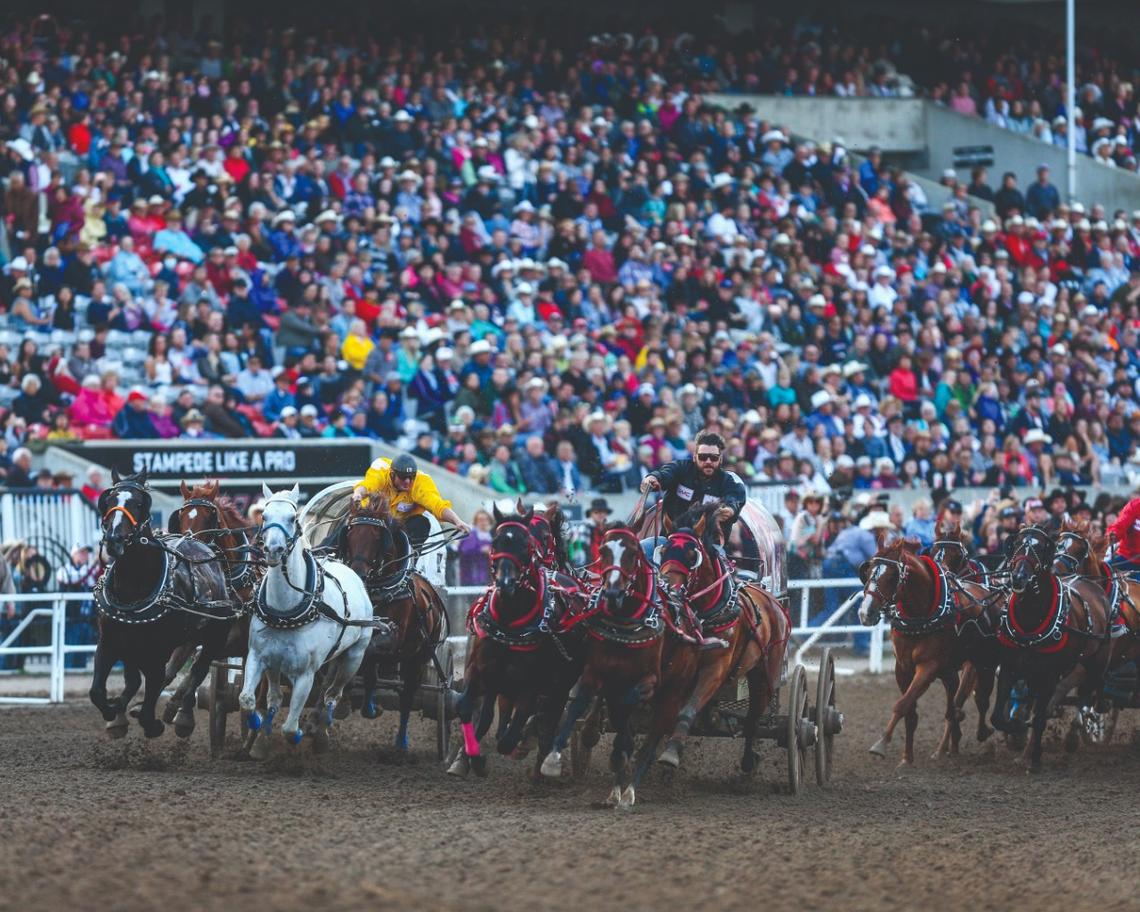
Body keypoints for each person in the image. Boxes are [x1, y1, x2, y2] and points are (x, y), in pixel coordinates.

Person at [351, 453, 471, 552]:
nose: (408, 481)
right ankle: (335, 553)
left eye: (411, 477)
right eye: (403, 477)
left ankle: (410, 559)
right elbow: (367, 486)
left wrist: (457, 521)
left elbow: (437, 505)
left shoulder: (421, 482)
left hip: (402, 527)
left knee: (421, 522)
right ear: (392, 474)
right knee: (350, 524)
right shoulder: (381, 470)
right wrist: (358, 494)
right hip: (374, 522)